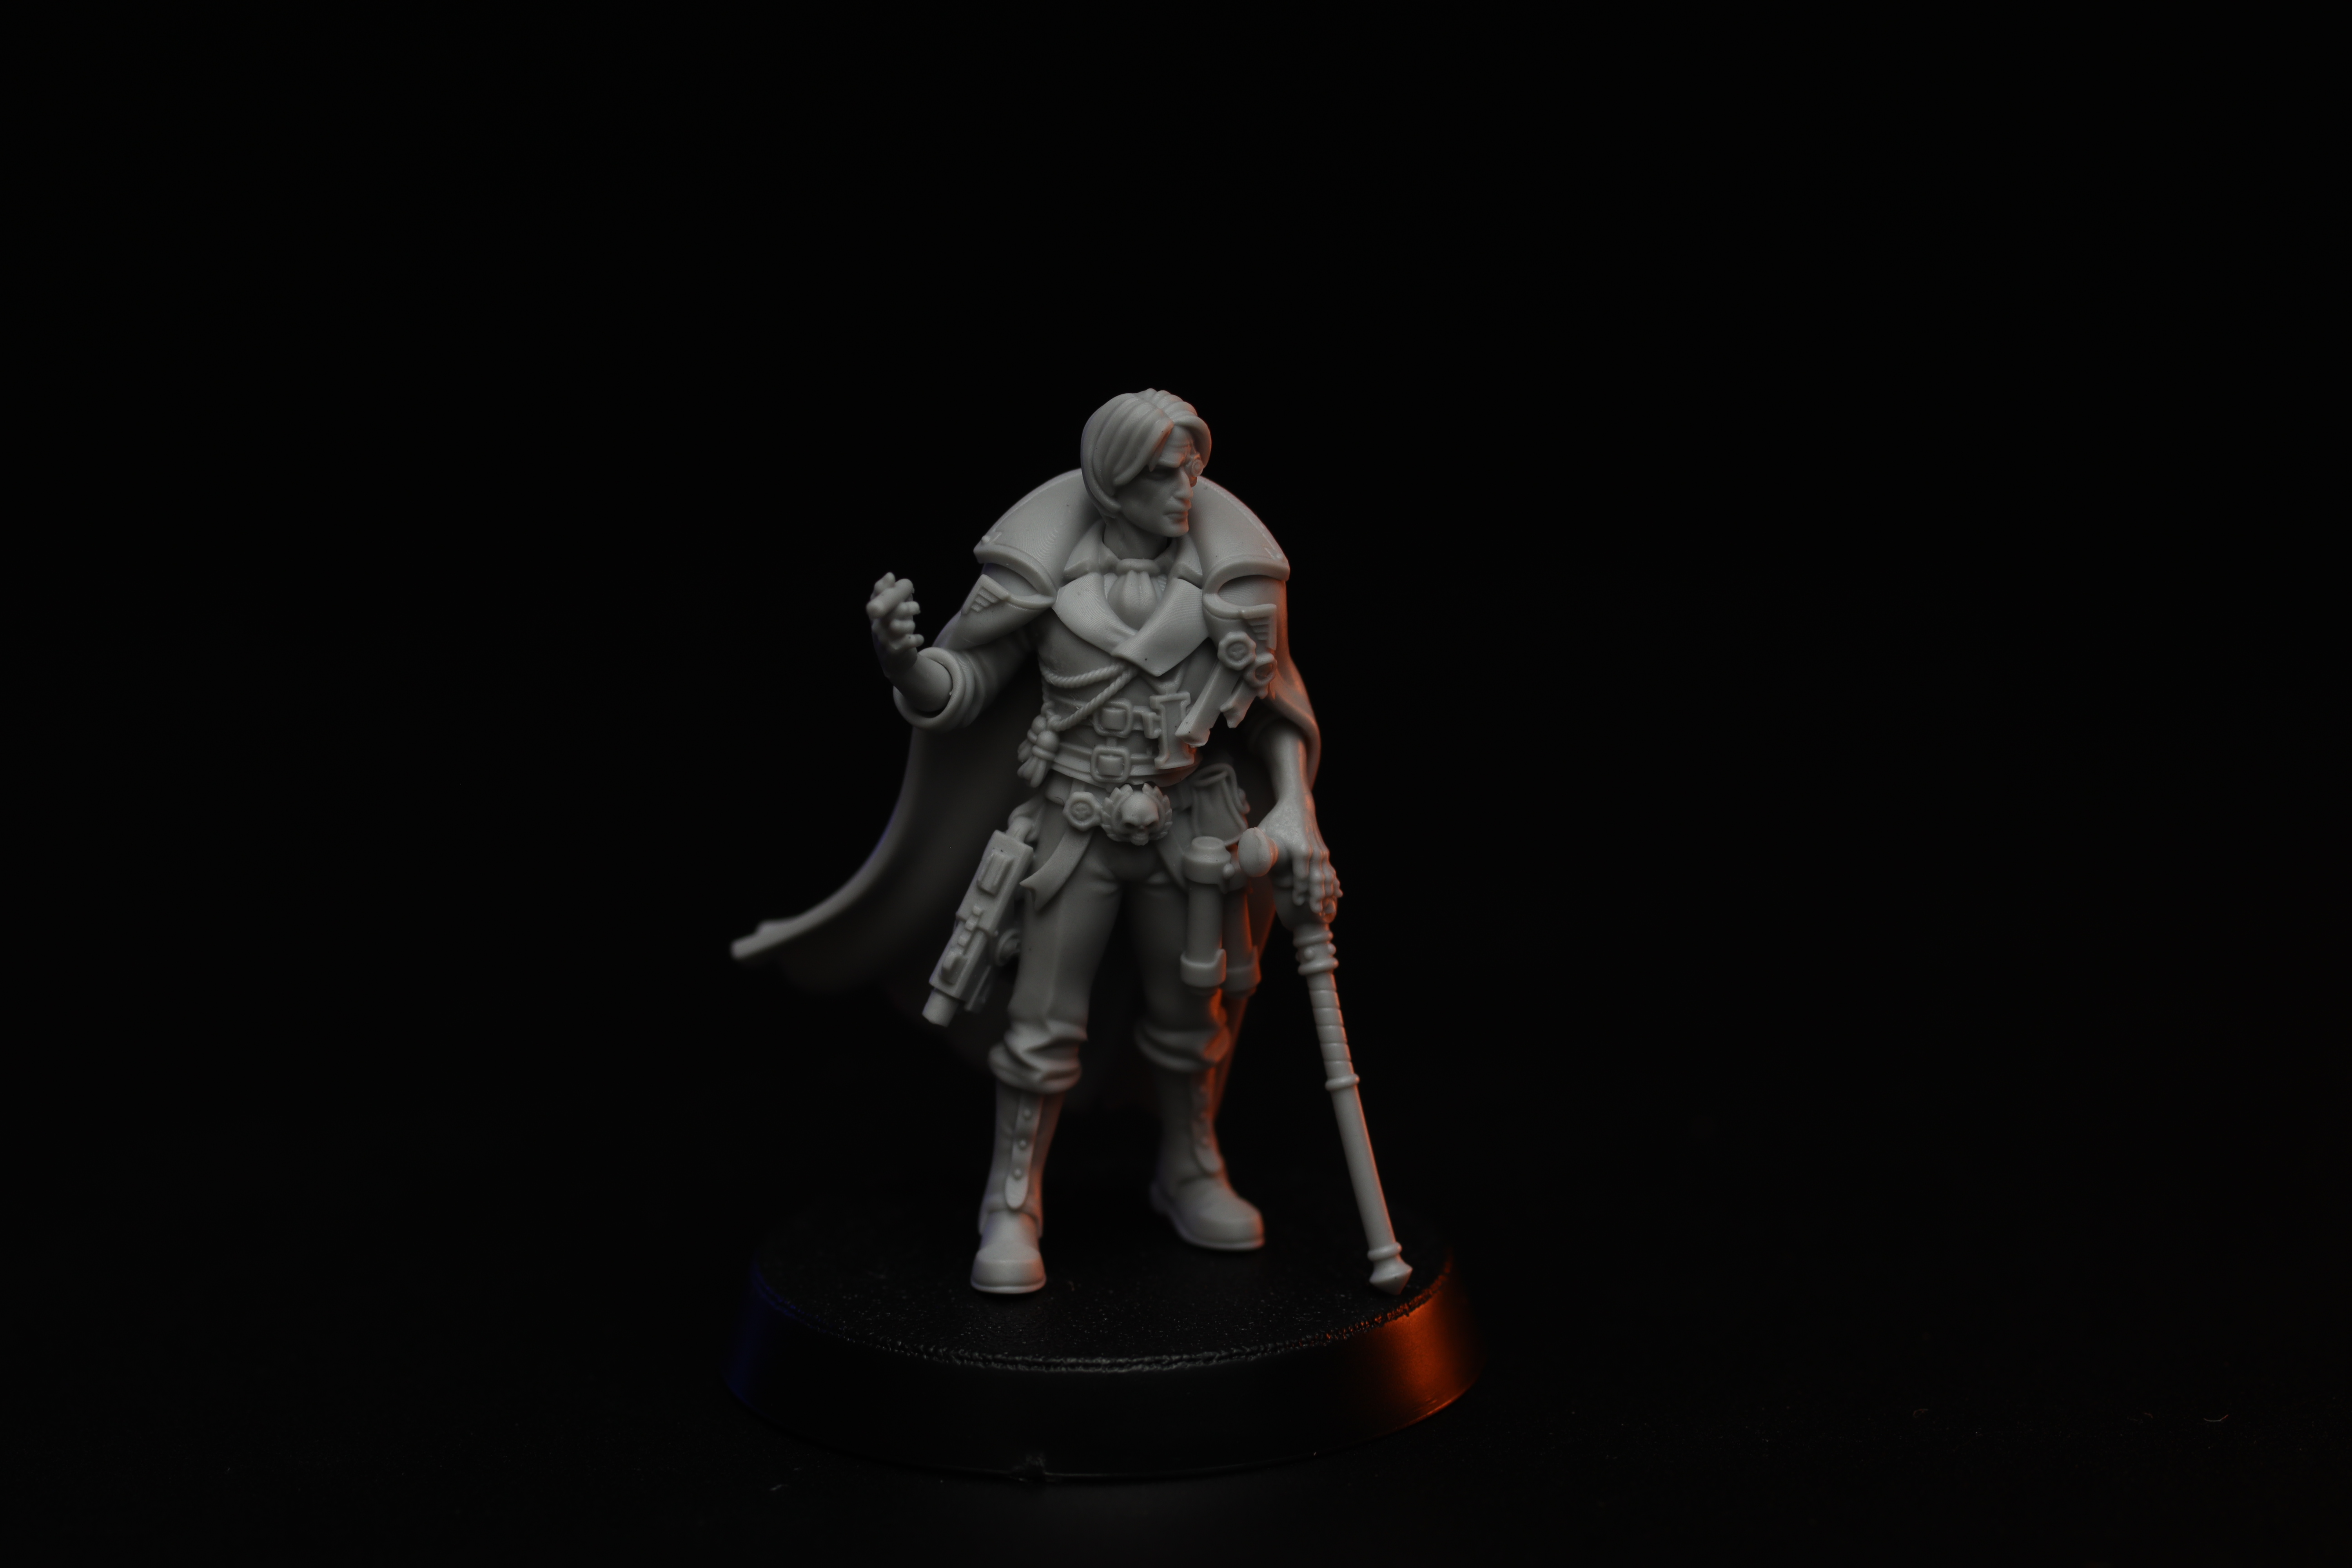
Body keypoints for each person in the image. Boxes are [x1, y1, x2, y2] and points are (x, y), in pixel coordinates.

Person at [747, 390, 1338, 1294]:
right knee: (1041, 1022)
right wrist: (907, 663)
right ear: (1113, 482)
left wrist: (1295, 806)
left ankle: (1190, 1167)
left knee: (1194, 1014)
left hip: (1189, 827)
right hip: (1076, 824)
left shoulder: (1232, 588)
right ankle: (1013, 1199)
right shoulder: (1044, 579)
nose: (1184, 488)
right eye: (1162, 472)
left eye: (1192, 469)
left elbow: (1278, 707)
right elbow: (964, 683)